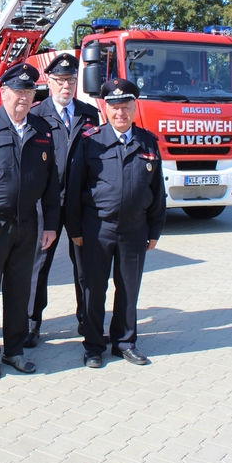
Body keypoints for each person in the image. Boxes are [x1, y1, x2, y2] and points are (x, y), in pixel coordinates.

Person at [0, 62, 60, 379]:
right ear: (4, 93)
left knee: (19, 291)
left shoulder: (42, 131)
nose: (24, 97)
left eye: (29, 91)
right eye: (18, 91)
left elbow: (52, 183)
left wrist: (51, 224)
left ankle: (14, 350)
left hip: (27, 224)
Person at [66, 78, 166, 369]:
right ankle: (93, 346)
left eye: (126, 107)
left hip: (135, 229)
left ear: (134, 107)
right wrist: (74, 229)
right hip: (96, 228)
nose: (120, 113)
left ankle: (125, 342)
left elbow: (157, 190)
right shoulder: (91, 140)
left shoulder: (147, 142)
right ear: (106, 109)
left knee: (129, 288)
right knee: (93, 289)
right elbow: (74, 187)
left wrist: (154, 229)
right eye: (115, 107)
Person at [25, 53, 100, 346]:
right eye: (59, 80)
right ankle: (31, 324)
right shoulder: (37, 114)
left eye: (70, 80)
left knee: (85, 266)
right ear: (49, 81)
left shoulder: (89, 114)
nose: (65, 86)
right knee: (39, 265)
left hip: (80, 202)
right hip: (47, 203)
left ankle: (87, 320)